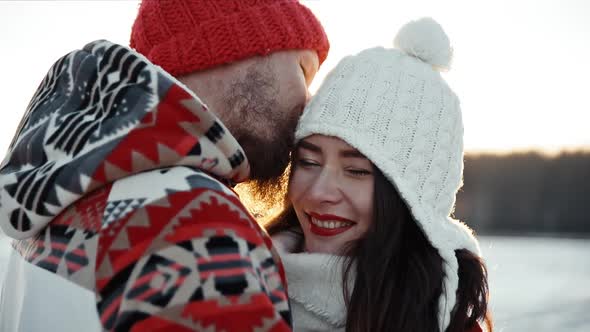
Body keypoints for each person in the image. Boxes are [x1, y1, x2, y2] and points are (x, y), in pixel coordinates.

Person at [0, 1, 329, 331]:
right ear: (227, 48)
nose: (309, 102)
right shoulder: (193, 221)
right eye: (303, 71)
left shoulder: (56, 195)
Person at [266, 18, 493, 332]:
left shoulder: (445, 324)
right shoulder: (233, 280)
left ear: (412, 199)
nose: (319, 192)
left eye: (357, 171)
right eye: (308, 162)